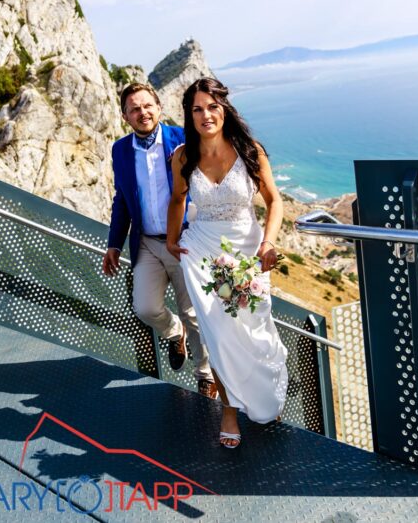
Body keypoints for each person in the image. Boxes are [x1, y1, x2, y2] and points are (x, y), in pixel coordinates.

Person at [165, 77, 288, 448]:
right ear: (189, 114)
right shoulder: (183, 156)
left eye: (212, 106)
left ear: (224, 108)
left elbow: (274, 201)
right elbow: (177, 201)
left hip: (247, 252)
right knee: (218, 335)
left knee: (253, 329)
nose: (206, 115)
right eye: (198, 109)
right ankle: (230, 410)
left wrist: (267, 244)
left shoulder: (250, 150)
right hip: (201, 251)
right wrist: (172, 240)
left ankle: (264, 394)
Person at [103, 83, 217, 398]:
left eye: (147, 105)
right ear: (125, 117)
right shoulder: (120, 150)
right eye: (134, 109)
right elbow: (122, 200)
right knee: (145, 308)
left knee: (194, 314)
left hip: (185, 241)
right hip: (147, 243)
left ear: (158, 106)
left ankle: (205, 375)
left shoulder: (182, 139)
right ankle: (172, 332)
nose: (142, 113)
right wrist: (114, 243)